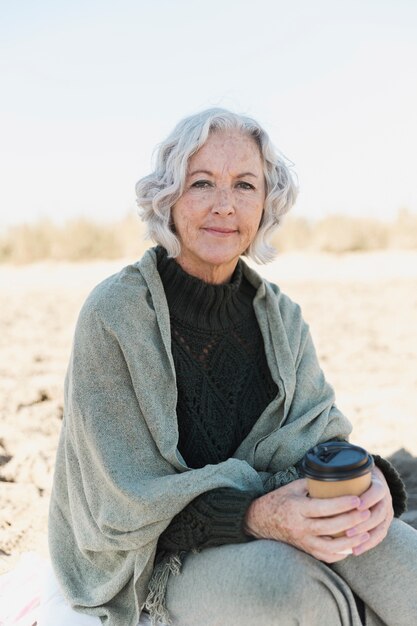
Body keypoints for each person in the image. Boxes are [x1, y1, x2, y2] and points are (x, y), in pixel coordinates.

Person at [48, 108, 417, 626]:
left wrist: (373, 476)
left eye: (245, 185)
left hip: (278, 512)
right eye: (202, 183)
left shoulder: (281, 317)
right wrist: (260, 516)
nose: (224, 205)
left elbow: (321, 441)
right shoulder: (114, 316)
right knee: (294, 590)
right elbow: (121, 504)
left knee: (404, 561)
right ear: (168, 198)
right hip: (158, 558)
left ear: (266, 204)